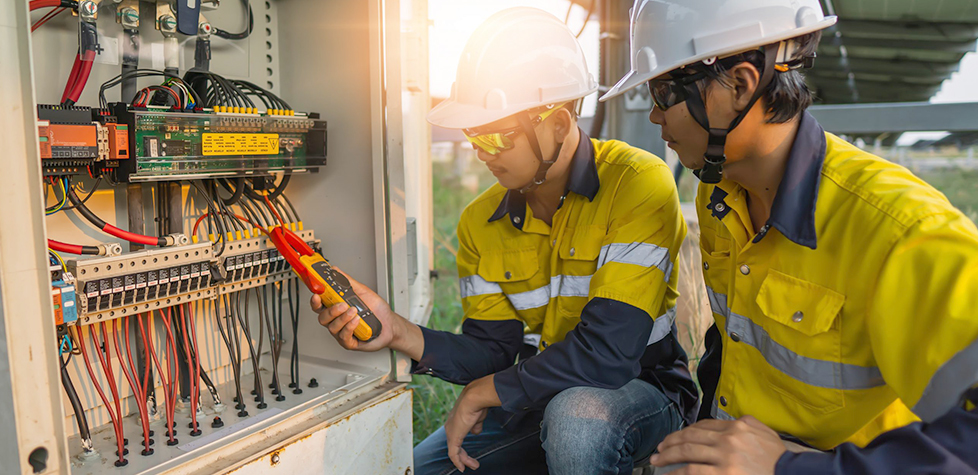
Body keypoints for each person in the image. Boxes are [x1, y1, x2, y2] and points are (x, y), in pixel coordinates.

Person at [311, 7, 698, 474]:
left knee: (578, 419)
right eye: (474, 134)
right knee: (421, 469)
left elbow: (608, 355)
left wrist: (483, 392)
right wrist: (399, 331)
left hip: (638, 394)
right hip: (533, 399)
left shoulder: (637, 183)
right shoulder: (480, 222)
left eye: (497, 136)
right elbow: (493, 351)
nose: (480, 152)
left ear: (557, 124)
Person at [600, 0, 978, 473]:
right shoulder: (719, 196)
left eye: (662, 93)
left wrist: (790, 467)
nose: (655, 117)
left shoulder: (899, 231)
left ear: (739, 85)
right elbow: (732, 343)